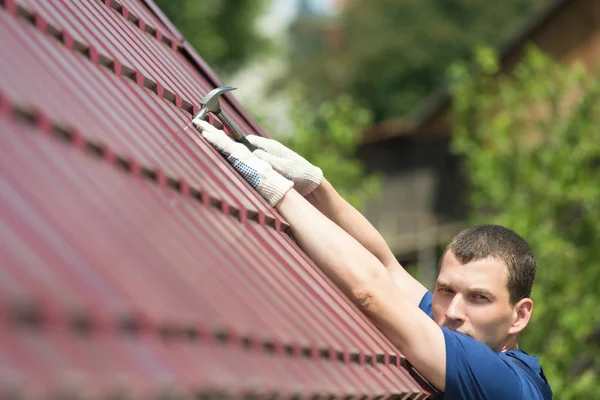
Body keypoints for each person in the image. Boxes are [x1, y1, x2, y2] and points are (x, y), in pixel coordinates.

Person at [193, 120, 553, 399]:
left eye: (479, 298)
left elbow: (372, 292)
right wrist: (318, 188)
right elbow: (386, 266)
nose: (454, 311)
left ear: (519, 315)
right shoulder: (457, 327)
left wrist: (275, 191)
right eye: (445, 290)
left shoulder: (507, 386)